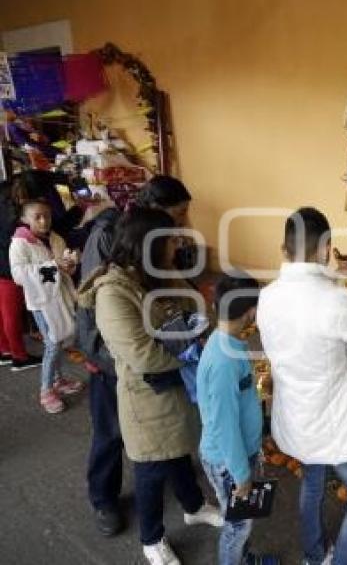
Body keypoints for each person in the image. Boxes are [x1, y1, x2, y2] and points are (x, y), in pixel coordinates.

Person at [78, 207, 221, 565]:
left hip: (175, 385)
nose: (177, 244)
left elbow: (196, 306)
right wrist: (194, 354)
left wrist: (192, 328)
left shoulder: (157, 273)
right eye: (171, 239)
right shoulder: (113, 293)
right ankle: (151, 539)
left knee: (177, 451)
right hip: (146, 396)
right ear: (149, 245)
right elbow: (143, 356)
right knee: (152, 466)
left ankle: (193, 506)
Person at [257, 207, 347, 565]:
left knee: (312, 481)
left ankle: (314, 555)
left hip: (295, 412)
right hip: (337, 418)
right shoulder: (336, 300)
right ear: (326, 249)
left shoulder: (267, 296)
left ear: (284, 250)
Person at [78, 174, 193, 536]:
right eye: (178, 215)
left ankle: (189, 498)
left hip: (146, 353)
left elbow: (173, 291)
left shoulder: (153, 253)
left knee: (165, 427)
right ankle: (104, 500)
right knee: (113, 432)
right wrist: (112, 358)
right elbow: (100, 308)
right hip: (109, 354)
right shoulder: (110, 239)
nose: (183, 222)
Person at [198, 272, 278, 565]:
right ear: (250, 312)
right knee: (238, 526)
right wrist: (241, 474)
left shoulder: (229, 342)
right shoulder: (223, 360)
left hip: (239, 453)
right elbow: (223, 425)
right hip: (227, 460)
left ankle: (245, 559)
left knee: (244, 520)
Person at [9, 196, 84, 413]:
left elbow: (64, 270)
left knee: (60, 340)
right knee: (52, 344)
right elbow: (19, 275)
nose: (44, 221)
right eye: (37, 217)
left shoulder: (55, 238)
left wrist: (69, 265)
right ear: (25, 219)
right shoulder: (19, 244)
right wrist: (53, 266)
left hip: (61, 296)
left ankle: (58, 381)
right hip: (42, 302)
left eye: (47, 216)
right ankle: (46, 390)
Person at [0, 179, 41, 371]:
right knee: (11, 315)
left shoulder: (4, 206)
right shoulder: (12, 216)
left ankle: (5, 350)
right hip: (7, 270)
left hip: (2, 268)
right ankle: (19, 357)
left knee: (3, 313)